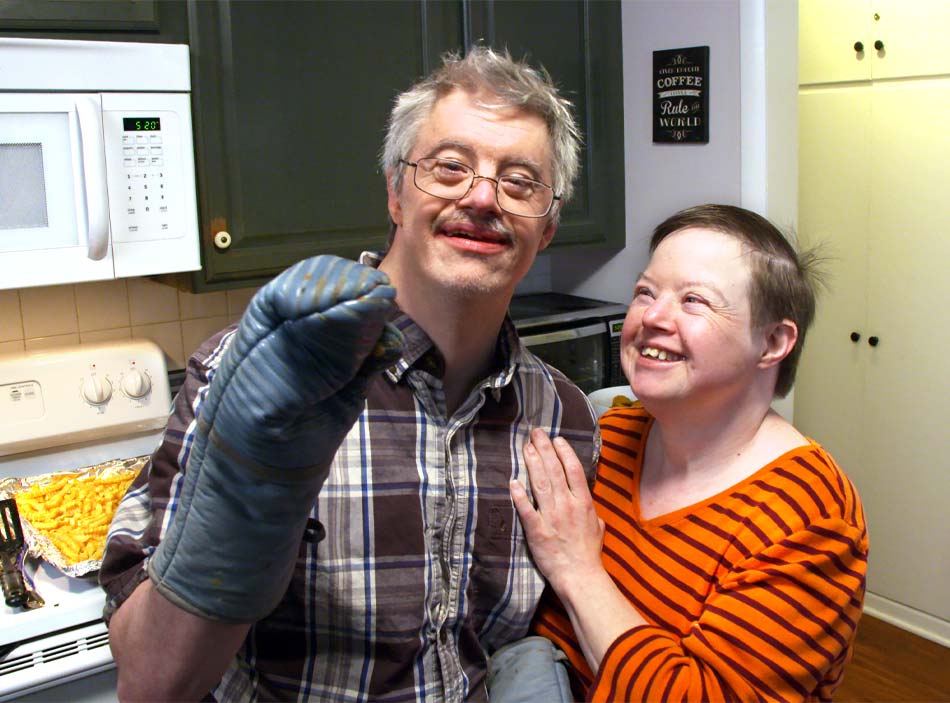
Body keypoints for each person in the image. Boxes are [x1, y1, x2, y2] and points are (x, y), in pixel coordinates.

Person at [100, 47, 600, 702]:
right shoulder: (261, 378)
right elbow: (152, 684)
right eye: (450, 167)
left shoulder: (562, 418)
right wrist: (246, 507)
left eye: (520, 182)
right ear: (396, 192)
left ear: (550, 224)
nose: (481, 196)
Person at [509, 204, 868, 702]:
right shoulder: (608, 436)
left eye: (694, 300)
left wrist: (576, 568)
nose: (651, 316)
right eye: (645, 292)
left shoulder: (809, 516)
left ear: (773, 342)